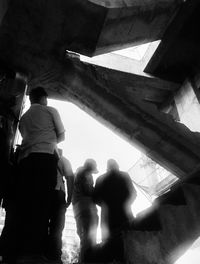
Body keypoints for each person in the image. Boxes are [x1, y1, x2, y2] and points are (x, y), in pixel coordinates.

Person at [16, 86, 65, 258]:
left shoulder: (23, 118)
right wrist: (47, 139)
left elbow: (24, 136)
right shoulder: (50, 110)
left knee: (28, 203)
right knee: (43, 203)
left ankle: (25, 249)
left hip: (26, 161)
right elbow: (61, 136)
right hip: (45, 158)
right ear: (44, 98)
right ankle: (37, 252)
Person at [94, 159, 137, 244]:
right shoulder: (124, 175)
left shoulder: (100, 178)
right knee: (130, 241)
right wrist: (127, 204)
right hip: (125, 214)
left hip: (107, 217)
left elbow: (95, 198)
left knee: (109, 244)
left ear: (107, 167)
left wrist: (105, 206)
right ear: (117, 166)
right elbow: (133, 193)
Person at [45, 149, 74, 263]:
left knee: (41, 224)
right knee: (57, 227)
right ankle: (54, 256)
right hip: (58, 193)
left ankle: (42, 253)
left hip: (43, 193)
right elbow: (70, 178)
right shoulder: (62, 159)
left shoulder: (41, 158)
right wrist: (69, 198)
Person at [72, 159, 99, 263]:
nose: (92, 173)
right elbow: (88, 190)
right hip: (87, 207)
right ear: (90, 167)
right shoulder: (86, 173)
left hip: (77, 209)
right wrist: (97, 190)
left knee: (83, 237)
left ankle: (82, 260)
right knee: (89, 238)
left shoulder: (77, 174)